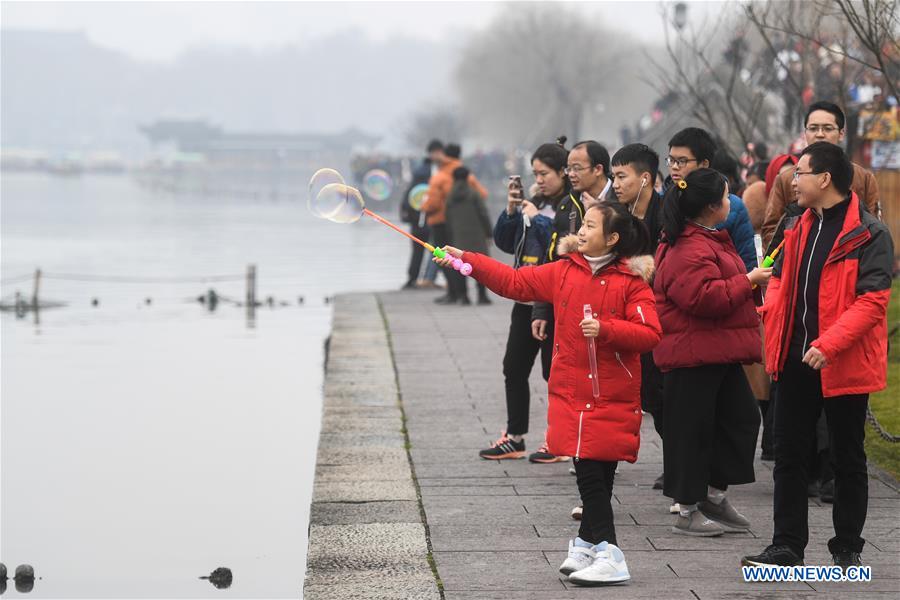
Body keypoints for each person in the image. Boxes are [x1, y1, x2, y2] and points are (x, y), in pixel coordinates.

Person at [435, 200, 662, 585]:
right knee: (593, 472)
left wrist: (607, 329)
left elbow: (650, 334)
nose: (582, 231)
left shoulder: (631, 283)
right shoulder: (563, 272)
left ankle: (610, 553)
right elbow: (513, 282)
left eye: (591, 225)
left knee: (592, 472)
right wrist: (466, 261)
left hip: (610, 393)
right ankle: (587, 543)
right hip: (570, 390)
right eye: (584, 224)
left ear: (613, 237)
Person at [743, 142, 893, 570]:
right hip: (793, 361)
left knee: (846, 456)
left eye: (800, 173)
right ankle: (786, 545)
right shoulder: (796, 226)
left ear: (825, 178)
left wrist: (827, 345)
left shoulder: (870, 234)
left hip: (841, 361)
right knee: (789, 455)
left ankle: (847, 545)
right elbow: (780, 283)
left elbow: (872, 303)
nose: (793, 181)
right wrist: (765, 315)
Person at [654, 168, 771, 537]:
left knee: (741, 421)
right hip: (691, 354)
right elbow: (704, 298)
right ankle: (688, 509)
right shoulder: (686, 247)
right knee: (692, 432)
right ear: (709, 207)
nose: (730, 202)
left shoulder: (710, 237)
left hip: (717, 351)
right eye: (724, 197)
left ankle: (713, 496)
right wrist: (749, 281)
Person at [481, 140, 570, 462]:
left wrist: (539, 219)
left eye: (545, 173)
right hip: (526, 296)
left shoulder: (571, 207)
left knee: (553, 373)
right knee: (514, 367)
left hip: (557, 301)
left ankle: (557, 440)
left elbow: (565, 248)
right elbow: (504, 243)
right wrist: (511, 211)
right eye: (535, 173)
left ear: (564, 172)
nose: (540, 179)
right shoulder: (533, 202)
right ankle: (515, 437)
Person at [609, 143, 665, 490]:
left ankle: (679, 469)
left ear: (645, 178)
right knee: (649, 395)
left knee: (664, 396)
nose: (615, 183)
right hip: (628, 318)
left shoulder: (667, 214)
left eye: (621, 176)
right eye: (613, 176)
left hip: (660, 315)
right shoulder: (618, 216)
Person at [761, 101, 881, 251]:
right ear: (805, 133)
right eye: (813, 128)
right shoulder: (786, 179)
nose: (820, 134)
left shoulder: (864, 178)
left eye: (827, 128)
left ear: (841, 133)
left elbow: (875, 229)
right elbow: (769, 229)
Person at [665, 128, 758, 273]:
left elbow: (749, 263)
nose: (674, 167)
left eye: (682, 161)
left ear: (704, 164)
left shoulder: (731, 206)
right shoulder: (666, 204)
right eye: (671, 160)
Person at [421, 143, 488, 304]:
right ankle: (463, 294)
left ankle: (455, 293)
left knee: (444, 258)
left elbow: (433, 203)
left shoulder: (439, 177)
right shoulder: (466, 175)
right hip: (463, 224)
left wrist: (423, 207)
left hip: (440, 222)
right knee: (463, 256)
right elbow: (482, 194)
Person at [444, 166, 493, 305]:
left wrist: (450, 234)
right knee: (480, 265)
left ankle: (463, 296)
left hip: (458, 236)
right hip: (477, 236)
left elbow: (446, 218)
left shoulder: (450, 197)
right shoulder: (474, 194)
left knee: (458, 265)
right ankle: (482, 296)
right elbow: (483, 214)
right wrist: (489, 232)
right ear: (467, 177)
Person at [400, 150, 433, 290]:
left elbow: (405, 205)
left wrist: (409, 218)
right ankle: (428, 278)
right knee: (436, 251)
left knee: (416, 253)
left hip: (415, 225)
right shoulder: (431, 184)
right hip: (431, 223)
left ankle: (412, 278)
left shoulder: (412, 185)